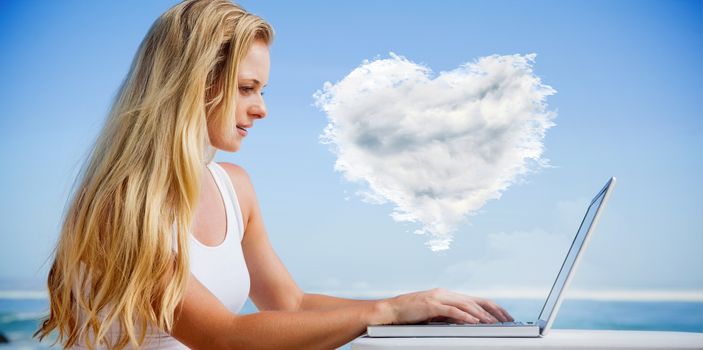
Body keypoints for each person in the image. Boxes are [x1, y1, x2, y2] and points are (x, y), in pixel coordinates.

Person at [34, 1, 513, 349]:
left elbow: (291, 304)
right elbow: (222, 338)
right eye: (247, 88)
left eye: (261, 89)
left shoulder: (234, 187)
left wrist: (418, 307)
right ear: (190, 87)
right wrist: (385, 312)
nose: (261, 109)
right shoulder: (121, 203)